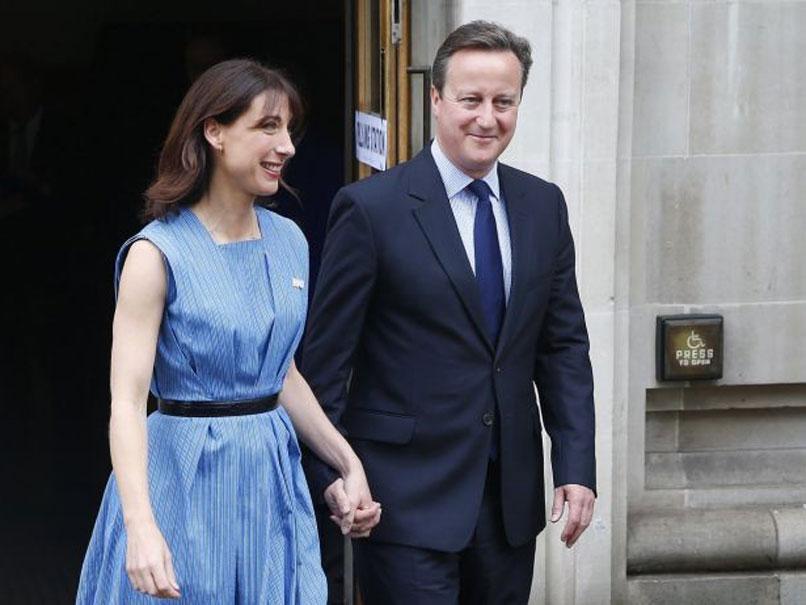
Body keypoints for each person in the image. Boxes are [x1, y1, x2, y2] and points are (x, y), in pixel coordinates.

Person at [303, 21, 596, 604]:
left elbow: (562, 346)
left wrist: (577, 463)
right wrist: (332, 478)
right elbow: (326, 364)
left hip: (508, 504)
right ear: (435, 100)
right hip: (403, 499)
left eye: (503, 102)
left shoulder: (543, 205)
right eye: (471, 100)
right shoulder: (370, 210)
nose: (487, 118)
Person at [77, 59, 380, 603]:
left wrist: (346, 461)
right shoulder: (156, 254)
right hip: (182, 480)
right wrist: (141, 527)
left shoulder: (290, 240)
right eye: (267, 127)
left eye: (289, 129)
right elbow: (126, 403)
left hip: (271, 479)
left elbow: (280, 373)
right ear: (213, 131)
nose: (286, 145)